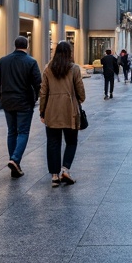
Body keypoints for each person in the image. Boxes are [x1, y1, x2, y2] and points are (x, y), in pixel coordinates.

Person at [0, 35, 42, 178]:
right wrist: (35, 99)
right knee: (23, 132)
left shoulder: (3, 61)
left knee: (11, 132)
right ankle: (15, 159)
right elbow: (38, 84)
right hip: (24, 101)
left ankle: (15, 163)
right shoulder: (31, 62)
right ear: (27, 46)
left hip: (7, 101)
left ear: (14, 45)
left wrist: (0, 97)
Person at [39, 40, 84, 187]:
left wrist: (42, 111)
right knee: (71, 142)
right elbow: (81, 92)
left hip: (51, 111)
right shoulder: (74, 69)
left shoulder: (48, 68)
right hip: (70, 110)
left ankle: (54, 176)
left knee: (53, 143)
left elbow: (43, 92)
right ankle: (65, 169)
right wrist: (79, 99)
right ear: (70, 53)